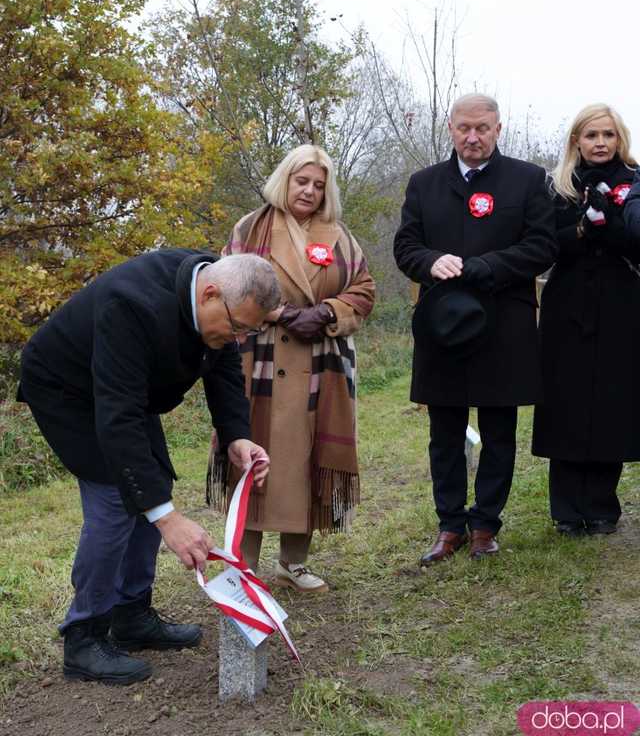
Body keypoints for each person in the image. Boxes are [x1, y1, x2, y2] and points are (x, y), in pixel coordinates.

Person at [17, 249, 280, 685]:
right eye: (236, 327)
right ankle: (83, 637)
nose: (238, 338)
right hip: (69, 388)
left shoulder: (217, 286)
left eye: (247, 331)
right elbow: (116, 420)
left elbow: (224, 365)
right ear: (210, 294)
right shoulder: (132, 305)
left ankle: (131, 614)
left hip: (123, 389)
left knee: (150, 479)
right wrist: (168, 519)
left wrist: (237, 434)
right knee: (116, 500)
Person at [394, 93, 557, 565]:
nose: (473, 137)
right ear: (450, 128)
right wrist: (430, 261)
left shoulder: (528, 180)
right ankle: (449, 527)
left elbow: (542, 246)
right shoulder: (424, 184)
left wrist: (486, 266)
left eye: (482, 128)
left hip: (504, 325)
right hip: (443, 327)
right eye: (464, 128)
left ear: (498, 128)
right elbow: (406, 246)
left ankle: (486, 524)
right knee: (444, 431)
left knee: (499, 429)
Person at [208, 144, 375, 592]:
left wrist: (325, 313)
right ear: (286, 179)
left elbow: (363, 289)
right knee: (252, 455)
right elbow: (223, 284)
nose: (309, 190)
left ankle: (292, 564)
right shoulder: (250, 227)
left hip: (321, 364)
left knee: (307, 461)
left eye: (319, 185)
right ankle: (243, 566)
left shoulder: (339, 235)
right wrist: (282, 314)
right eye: (302, 181)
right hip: (259, 359)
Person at [532, 104, 640, 536]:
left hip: (620, 303)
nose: (600, 143)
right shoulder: (556, 187)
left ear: (619, 139)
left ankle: (600, 507)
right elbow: (542, 246)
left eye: (608, 135)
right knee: (566, 400)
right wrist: (580, 230)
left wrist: (612, 226)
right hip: (567, 304)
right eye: (591, 135)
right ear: (576, 139)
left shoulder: (633, 181)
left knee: (612, 399)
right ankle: (565, 509)